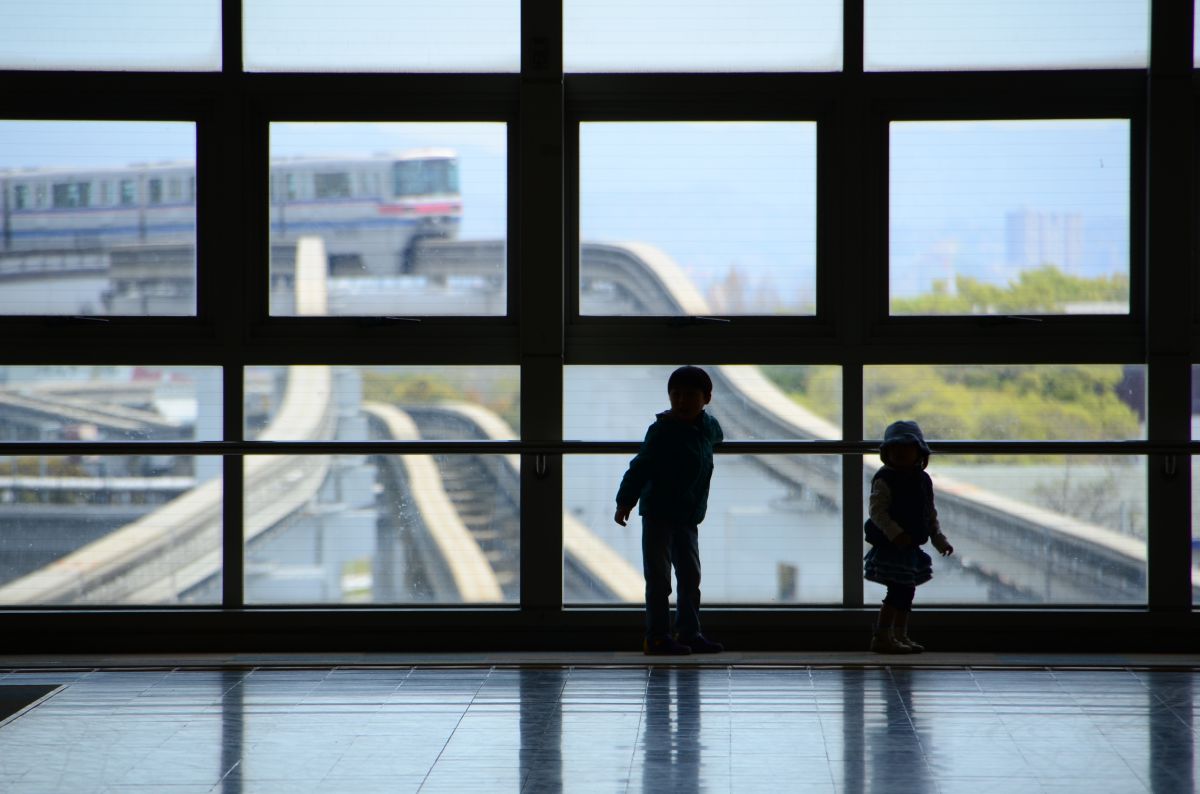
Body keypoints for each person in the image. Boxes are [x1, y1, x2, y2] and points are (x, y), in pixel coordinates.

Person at [615, 365, 725, 656]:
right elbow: (640, 468)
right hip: (658, 515)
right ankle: (657, 637)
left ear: (706, 398)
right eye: (676, 395)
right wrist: (625, 501)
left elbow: (717, 436)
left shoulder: (706, 427)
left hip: (688, 517)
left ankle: (689, 633)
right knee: (660, 579)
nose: (681, 401)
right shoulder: (661, 431)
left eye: (690, 395)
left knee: (690, 578)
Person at [864, 420, 954, 654]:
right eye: (895, 449)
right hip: (893, 547)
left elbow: (928, 512)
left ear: (919, 452)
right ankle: (884, 636)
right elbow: (876, 511)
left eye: (906, 448)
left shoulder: (922, 479)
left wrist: (938, 537)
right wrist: (896, 534)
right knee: (897, 592)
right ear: (886, 453)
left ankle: (897, 635)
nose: (901, 453)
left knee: (905, 591)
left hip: (908, 545)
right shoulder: (885, 478)